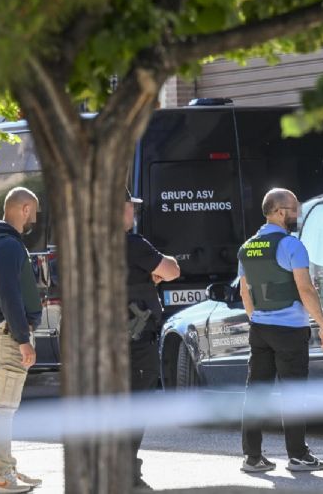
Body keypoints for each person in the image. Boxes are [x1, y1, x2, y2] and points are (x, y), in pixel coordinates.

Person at [237, 188, 323, 473]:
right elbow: (305, 288)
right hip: (289, 329)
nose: (298, 213)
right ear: (279, 211)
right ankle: (298, 455)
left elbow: (245, 292)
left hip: (261, 328)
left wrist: (258, 319)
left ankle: (252, 457)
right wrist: (322, 324)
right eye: (294, 209)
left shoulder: (247, 247)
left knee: (257, 392)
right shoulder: (291, 245)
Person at [0, 187, 44, 494]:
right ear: (25, 208)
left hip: (3, 331)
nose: (36, 219)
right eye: (35, 211)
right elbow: (9, 295)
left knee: (4, 406)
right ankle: (0, 476)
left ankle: (6, 469)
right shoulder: (7, 246)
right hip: (7, 333)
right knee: (3, 408)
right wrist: (23, 339)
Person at [124, 188, 180, 488]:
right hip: (135, 342)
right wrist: (154, 272)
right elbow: (171, 270)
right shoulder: (132, 244)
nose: (134, 213)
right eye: (130, 207)